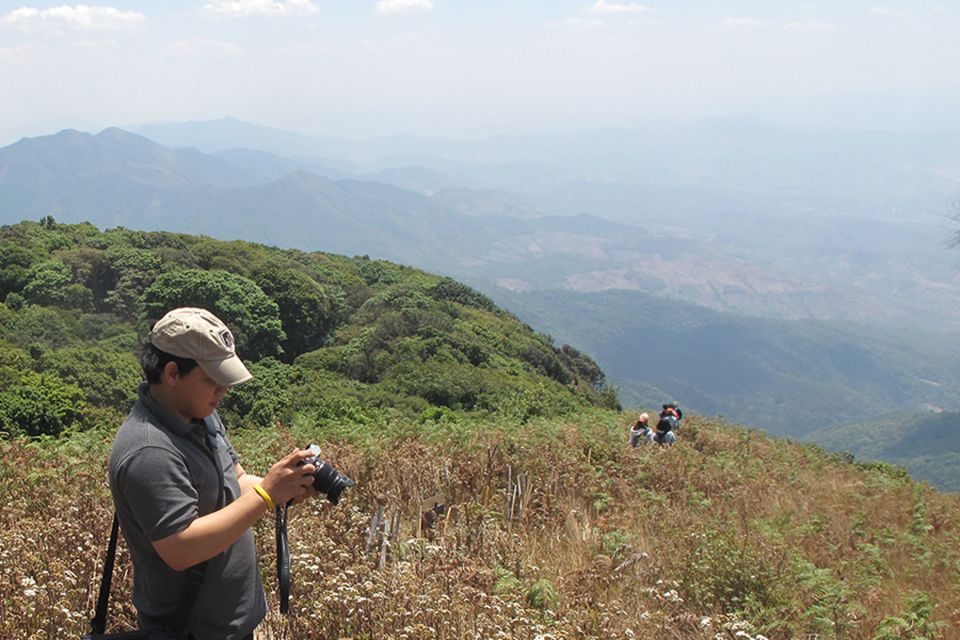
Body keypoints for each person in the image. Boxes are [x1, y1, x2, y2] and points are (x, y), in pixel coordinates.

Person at [109, 307, 318, 640]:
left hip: (230, 624)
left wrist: (286, 484)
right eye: (212, 380)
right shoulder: (149, 451)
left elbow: (234, 481)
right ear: (172, 373)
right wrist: (266, 495)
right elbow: (181, 548)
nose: (224, 391)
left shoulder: (199, 414)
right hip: (190, 630)